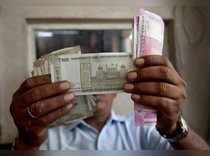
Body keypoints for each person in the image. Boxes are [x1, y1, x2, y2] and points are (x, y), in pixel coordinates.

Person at [10, 55, 209, 150]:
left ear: (116, 92)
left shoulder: (142, 129)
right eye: (90, 84)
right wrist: (27, 141)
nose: (95, 92)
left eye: (102, 82)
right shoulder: (49, 136)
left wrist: (174, 128)